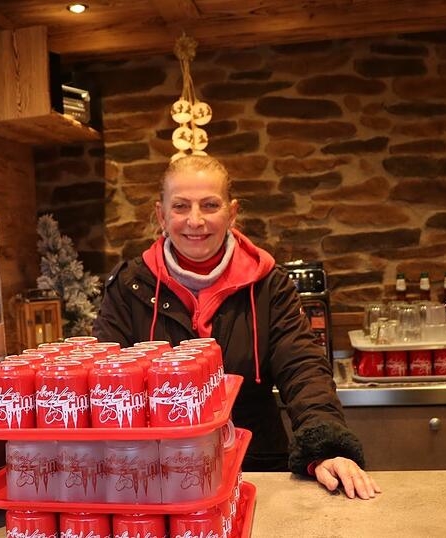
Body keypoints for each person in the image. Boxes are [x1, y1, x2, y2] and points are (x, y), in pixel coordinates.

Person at [93, 154, 380, 500]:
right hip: (154, 477)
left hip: (258, 468)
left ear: (231, 212)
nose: (195, 221)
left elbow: (302, 367)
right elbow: (103, 383)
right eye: (181, 206)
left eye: (209, 205)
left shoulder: (269, 285)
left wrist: (327, 446)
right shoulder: (129, 287)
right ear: (161, 214)